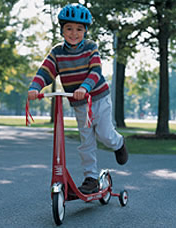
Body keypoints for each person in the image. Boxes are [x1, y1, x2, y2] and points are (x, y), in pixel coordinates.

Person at [28, 3, 128, 194]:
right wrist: (35, 87)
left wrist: (85, 87)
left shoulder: (91, 47)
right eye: (69, 28)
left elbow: (95, 71)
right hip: (79, 105)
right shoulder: (57, 52)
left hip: (98, 99)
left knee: (105, 135)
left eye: (79, 29)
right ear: (62, 30)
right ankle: (90, 178)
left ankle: (119, 143)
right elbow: (45, 71)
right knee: (86, 141)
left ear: (85, 31)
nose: (74, 33)